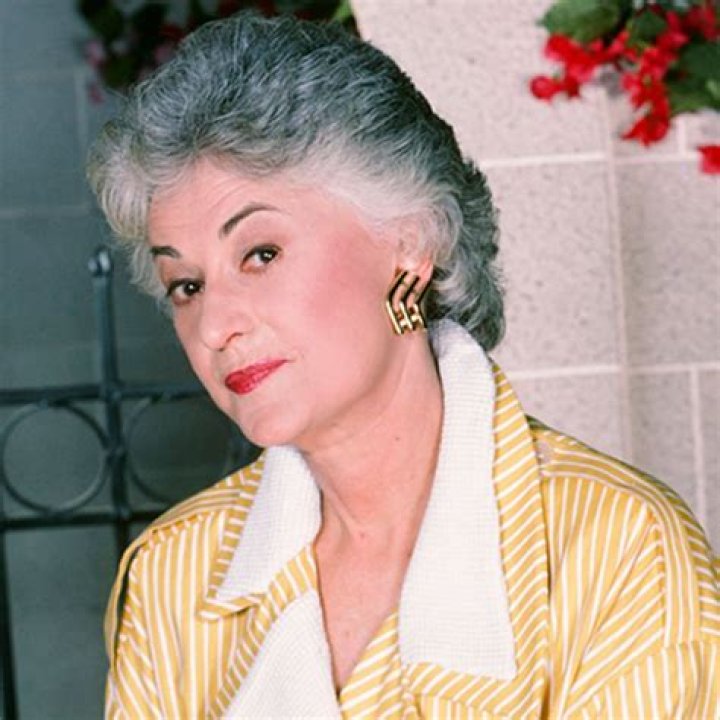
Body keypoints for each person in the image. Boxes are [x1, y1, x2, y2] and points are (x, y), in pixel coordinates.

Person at [88, 12, 718, 719]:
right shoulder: (173, 575)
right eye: (186, 286)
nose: (214, 325)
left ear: (410, 247)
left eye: (261, 254)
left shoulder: (619, 548)